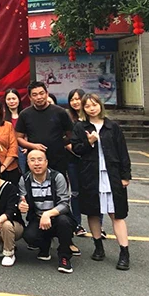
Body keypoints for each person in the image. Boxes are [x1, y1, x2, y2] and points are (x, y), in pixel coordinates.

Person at [71, 93, 132, 270]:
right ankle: (98, 247)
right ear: (83, 109)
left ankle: (124, 252)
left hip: (112, 175)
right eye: (88, 106)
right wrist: (89, 142)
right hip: (90, 175)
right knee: (93, 212)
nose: (92, 108)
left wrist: (125, 175)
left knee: (116, 214)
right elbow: (76, 149)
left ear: (100, 105)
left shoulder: (112, 126)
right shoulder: (80, 127)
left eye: (94, 104)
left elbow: (122, 151)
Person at [19, 149, 75, 273]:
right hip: (38, 218)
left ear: (46, 162)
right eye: (32, 160)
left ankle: (64, 257)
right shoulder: (25, 179)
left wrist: (48, 214)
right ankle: (45, 245)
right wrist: (21, 205)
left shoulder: (57, 177)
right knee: (29, 236)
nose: (36, 163)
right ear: (28, 163)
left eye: (40, 160)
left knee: (64, 222)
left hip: (58, 216)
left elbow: (64, 204)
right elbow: (21, 199)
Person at [15, 81, 73, 181]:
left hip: (58, 160)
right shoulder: (25, 114)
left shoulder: (60, 112)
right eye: (35, 95)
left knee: (59, 186)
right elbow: (19, 138)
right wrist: (33, 146)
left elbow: (70, 134)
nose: (39, 97)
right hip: (35, 161)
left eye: (41, 93)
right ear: (30, 97)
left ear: (47, 94)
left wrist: (58, 143)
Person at [66, 88, 88, 237]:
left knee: (94, 192)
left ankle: (98, 225)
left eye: (78, 99)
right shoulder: (68, 119)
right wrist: (79, 152)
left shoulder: (91, 119)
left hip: (90, 162)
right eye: (72, 99)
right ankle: (77, 224)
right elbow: (66, 141)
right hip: (73, 160)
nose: (75, 102)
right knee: (75, 193)